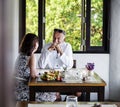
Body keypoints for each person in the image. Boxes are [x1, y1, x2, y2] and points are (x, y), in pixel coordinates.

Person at [14, 33, 57, 102]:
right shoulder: (31, 56)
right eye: (37, 42)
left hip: (15, 91)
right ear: (33, 44)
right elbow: (33, 75)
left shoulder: (21, 55)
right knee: (54, 95)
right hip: (24, 92)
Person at [38, 28, 74, 101]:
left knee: (78, 93)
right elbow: (41, 65)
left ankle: (65, 103)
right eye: (54, 37)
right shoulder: (46, 46)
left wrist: (60, 51)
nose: (55, 40)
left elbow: (70, 65)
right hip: (49, 77)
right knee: (55, 95)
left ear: (64, 38)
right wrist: (49, 50)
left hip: (64, 77)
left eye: (58, 38)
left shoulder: (67, 46)